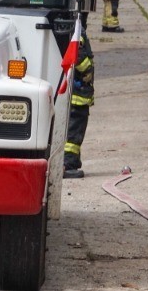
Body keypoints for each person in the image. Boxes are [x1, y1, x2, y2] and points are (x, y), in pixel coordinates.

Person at [64, 16, 94, 179]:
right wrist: (87, 70)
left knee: (73, 131)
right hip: (78, 94)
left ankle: (71, 162)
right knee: (73, 133)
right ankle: (68, 163)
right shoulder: (76, 31)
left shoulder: (73, 28)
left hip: (77, 93)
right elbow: (79, 57)